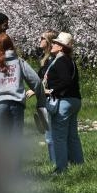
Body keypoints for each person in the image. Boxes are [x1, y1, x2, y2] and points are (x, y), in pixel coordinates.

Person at [44, 31, 84, 173]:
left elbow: (65, 81)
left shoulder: (60, 61)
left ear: (61, 47)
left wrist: (51, 91)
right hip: (74, 100)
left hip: (64, 102)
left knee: (59, 137)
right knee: (72, 136)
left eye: (55, 43)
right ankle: (79, 165)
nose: (52, 45)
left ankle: (61, 169)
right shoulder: (70, 61)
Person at [33, 30, 59, 164]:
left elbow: (54, 83)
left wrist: (38, 90)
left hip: (50, 98)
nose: (40, 39)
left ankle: (56, 164)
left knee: (51, 136)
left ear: (48, 41)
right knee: (47, 134)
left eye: (42, 38)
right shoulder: (45, 58)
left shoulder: (53, 61)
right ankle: (53, 162)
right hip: (44, 99)